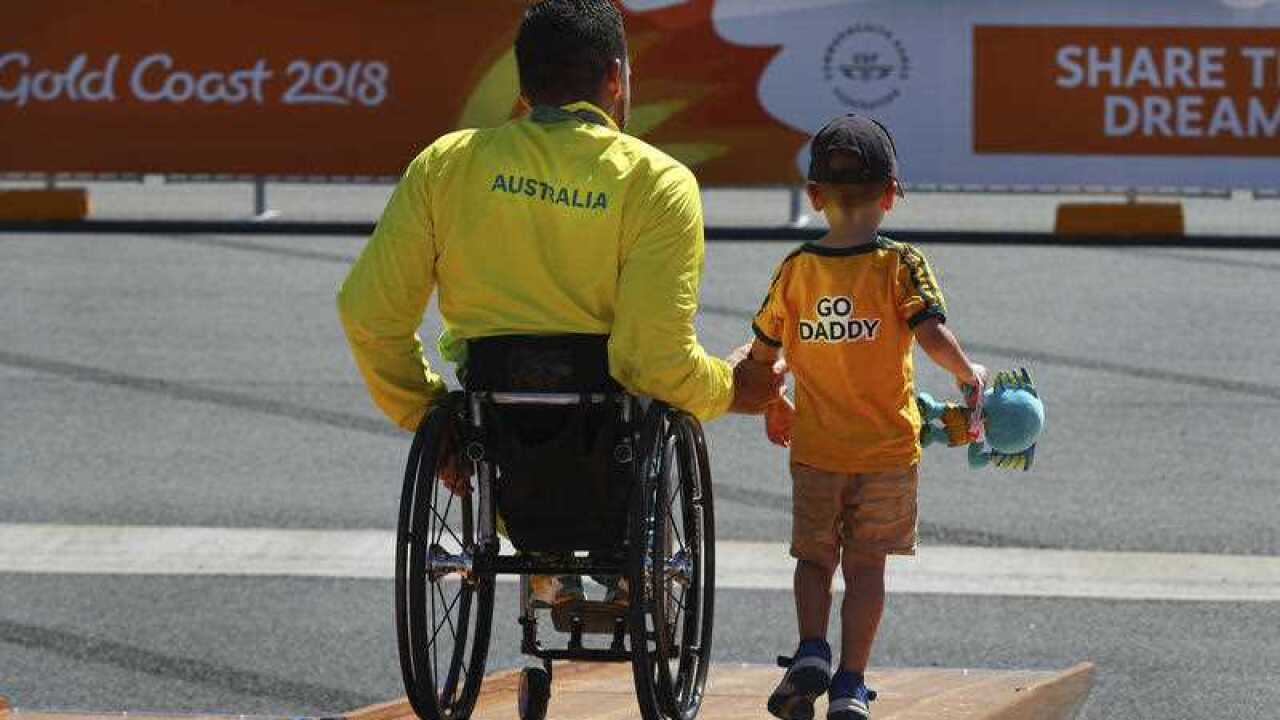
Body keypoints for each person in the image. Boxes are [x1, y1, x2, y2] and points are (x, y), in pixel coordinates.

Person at [337, 0, 783, 606]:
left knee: (485, 413)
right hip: (610, 429)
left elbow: (368, 311)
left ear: (523, 86)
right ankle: (625, 557)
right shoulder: (658, 181)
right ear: (616, 78)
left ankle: (542, 561)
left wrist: (424, 412)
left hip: (496, 420)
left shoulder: (445, 165)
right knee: (643, 399)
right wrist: (732, 388)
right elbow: (653, 359)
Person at [748, 115, 988, 720]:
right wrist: (968, 375)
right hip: (886, 453)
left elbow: (762, 357)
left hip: (816, 449)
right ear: (890, 195)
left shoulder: (795, 270)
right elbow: (931, 334)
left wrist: (776, 406)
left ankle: (810, 648)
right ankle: (851, 684)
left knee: (813, 558)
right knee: (866, 567)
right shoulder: (899, 264)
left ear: (814, 197)